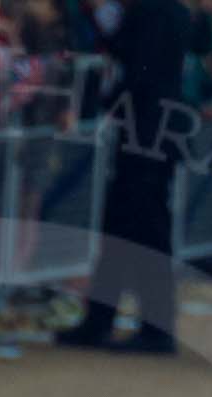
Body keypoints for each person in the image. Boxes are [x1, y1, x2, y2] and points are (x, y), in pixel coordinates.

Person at [53, 0, 192, 355]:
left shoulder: (154, 12)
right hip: (146, 135)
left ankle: (153, 326)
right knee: (120, 229)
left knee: (145, 232)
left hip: (148, 136)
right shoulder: (161, 11)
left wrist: (106, 99)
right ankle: (102, 318)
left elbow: (137, 70)